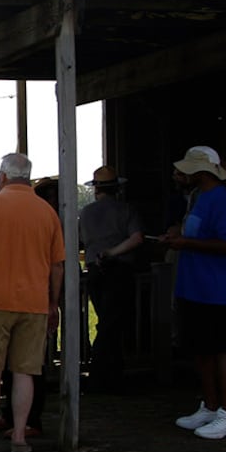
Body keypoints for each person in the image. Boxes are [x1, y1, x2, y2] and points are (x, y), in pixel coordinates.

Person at [0, 152, 65, 452]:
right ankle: (20, 438)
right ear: (28, 178)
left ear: (3, 176)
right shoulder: (46, 212)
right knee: (24, 372)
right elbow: (57, 265)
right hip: (33, 303)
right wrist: (52, 303)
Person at [158, 146, 226, 440]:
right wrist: (177, 239)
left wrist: (186, 244)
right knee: (200, 348)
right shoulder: (198, 198)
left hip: (216, 289)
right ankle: (210, 405)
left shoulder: (221, 199)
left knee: (222, 348)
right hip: (193, 286)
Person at [81, 165, 144, 389]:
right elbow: (137, 238)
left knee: (107, 321)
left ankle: (109, 375)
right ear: (116, 188)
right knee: (112, 324)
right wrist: (112, 252)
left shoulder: (86, 213)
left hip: (95, 272)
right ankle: (103, 375)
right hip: (120, 270)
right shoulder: (126, 210)